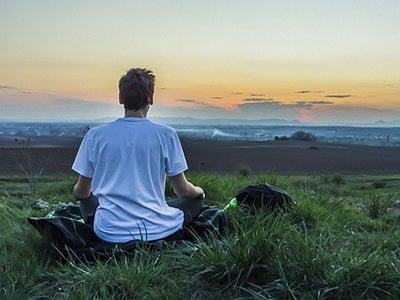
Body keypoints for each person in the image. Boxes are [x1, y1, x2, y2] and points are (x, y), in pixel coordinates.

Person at [72, 68, 205, 244]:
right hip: (156, 230)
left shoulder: (95, 135)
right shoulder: (166, 134)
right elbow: (182, 190)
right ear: (151, 98)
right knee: (194, 202)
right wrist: (199, 192)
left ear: (121, 99)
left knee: (87, 199)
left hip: (108, 232)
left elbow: (81, 192)